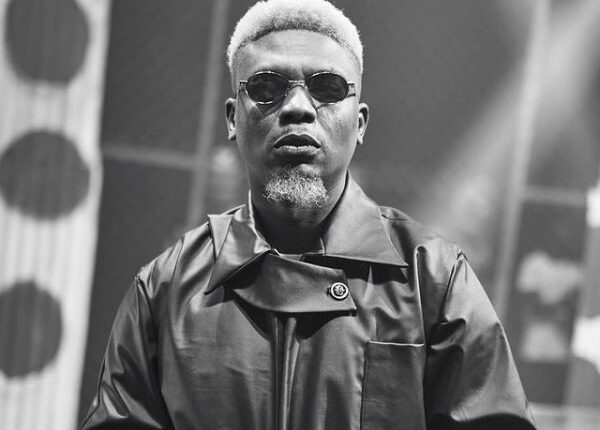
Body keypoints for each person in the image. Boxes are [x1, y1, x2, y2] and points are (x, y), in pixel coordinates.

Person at [80, 0, 537, 429]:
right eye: (266, 87)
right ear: (232, 119)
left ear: (359, 123)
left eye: (327, 88)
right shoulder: (165, 289)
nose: (298, 107)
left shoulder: (433, 280)